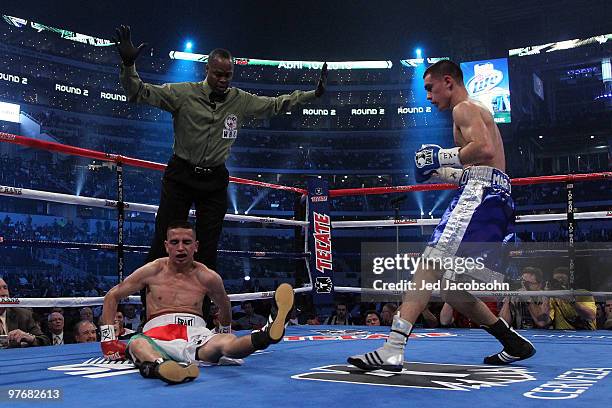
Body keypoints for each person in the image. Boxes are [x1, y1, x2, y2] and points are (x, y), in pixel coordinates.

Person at [348, 60, 535, 371]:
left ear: (448, 81)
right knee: (451, 288)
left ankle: (393, 347)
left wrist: (441, 155)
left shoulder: (464, 108)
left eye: (430, 88)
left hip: (482, 195)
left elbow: (484, 150)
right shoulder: (471, 111)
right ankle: (512, 342)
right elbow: (483, 165)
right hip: (494, 197)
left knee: (430, 263)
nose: (429, 96)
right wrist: (441, 169)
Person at [113, 26, 328, 274]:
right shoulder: (183, 93)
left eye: (228, 75)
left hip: (214, 179)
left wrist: (314, 94)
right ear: (207, 70)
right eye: (218, 74)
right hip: (181, 174)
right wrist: (129, 65)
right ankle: (151, 305)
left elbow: (276, 105)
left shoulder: (240, 99)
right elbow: (139, 92)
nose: (224, 80)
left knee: (207, 248)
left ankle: (201, 309)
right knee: (165, 237)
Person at [100, 221, 294, 385]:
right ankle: (162, 367)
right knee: (138, 343)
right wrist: (108, 342)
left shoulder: (208, 277)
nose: (181, 248)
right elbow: (112, 296)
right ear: (167, 246)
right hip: (158, 331)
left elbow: (224, 305)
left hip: (195, 330)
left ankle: (266, 335)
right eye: (175, 242)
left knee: (224, 344)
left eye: (186, 242)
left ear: (196, 246)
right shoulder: (152, 270)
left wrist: (224, 331)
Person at [0, 278, 49, 347]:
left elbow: (45, 341)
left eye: (5, 288)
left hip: (15, 356)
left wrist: (30, 338)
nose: (4, 293)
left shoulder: (23, 315)